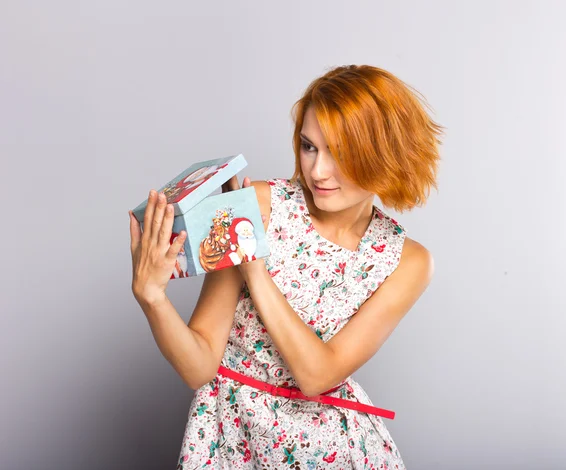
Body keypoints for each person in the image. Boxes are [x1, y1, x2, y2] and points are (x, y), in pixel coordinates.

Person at [129, 64, 442, 469]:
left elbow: (317, 376)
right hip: (232, 436)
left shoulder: (406, 261)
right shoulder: (259, 205)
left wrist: (255, 270)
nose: (317, 171)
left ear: (384, 155)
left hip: (333, 448)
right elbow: (201, 365)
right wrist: (152, 299)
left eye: (341, 153)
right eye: (310, 146)